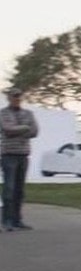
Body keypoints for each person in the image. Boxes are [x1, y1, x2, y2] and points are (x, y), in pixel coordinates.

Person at [1, 87, 39, 231]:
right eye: (14, 96)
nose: (17, 99)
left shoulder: (28, 113)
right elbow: (7, 129)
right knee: (9, 189)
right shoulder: (3, 113)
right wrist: (25, 128)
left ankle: (17, 220)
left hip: (23, 154)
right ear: (9, 98)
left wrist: (19, 129)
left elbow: (35, 131)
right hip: (8, 154)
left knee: (20, 190)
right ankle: (6, 221)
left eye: (19, 96)